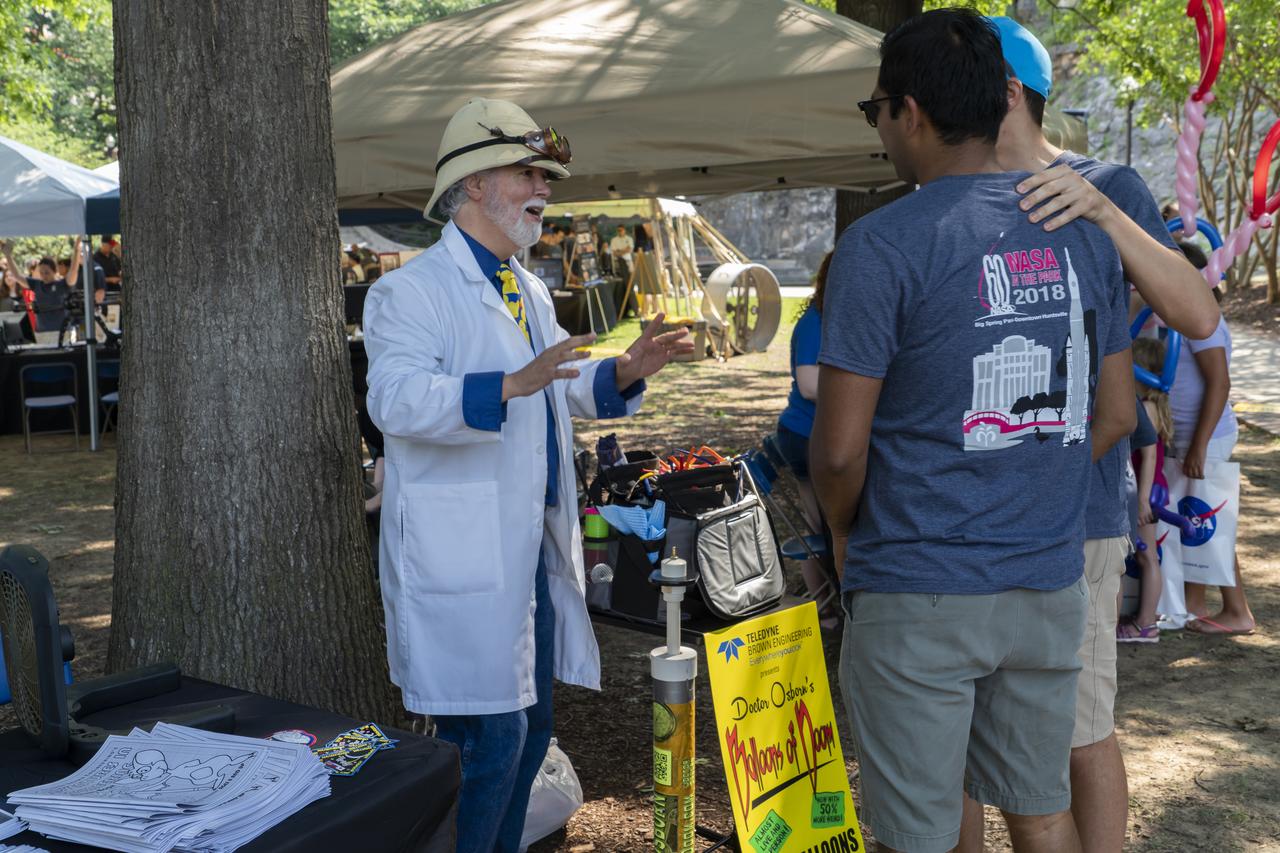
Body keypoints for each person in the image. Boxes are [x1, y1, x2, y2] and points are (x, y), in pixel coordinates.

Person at [810, 11, 1134, 853]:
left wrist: (846, 532)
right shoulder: (1081, 235)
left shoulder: (880, 245)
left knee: (917, 833)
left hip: (917, 580)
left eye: (873, 107)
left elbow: (839, 448)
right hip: (1047, 578)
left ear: (909, 111)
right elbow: (1115, 412)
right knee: (1040, 810)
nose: (879, 126)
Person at [362, 96, 692, 853]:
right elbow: (395, 399)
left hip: (530, 551)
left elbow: (560, 385)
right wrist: (505, 385)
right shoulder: (408, 292)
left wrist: (620, 372)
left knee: (532, 726)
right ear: (473, 184)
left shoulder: (529, 287)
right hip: (461, 558)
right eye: (525, 171)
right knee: (490, 739)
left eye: (544, 173)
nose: (543, 186)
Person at [953, 18, 1225, 853]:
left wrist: (1104, 210)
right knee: (961, 738)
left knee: (1078, 726)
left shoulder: (1106, 185)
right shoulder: (943, 195)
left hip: (1079, 521)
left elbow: (1196, 312)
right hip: (965, 523)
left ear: (1005, 91)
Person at [1169, 284, 1255, 635]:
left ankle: (1238, 612)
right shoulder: (1180, 316)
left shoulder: (1201, 320)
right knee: (1192, 519)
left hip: (1206, 437)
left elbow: (1220, 383)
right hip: (1188, 436)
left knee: (1210, 522)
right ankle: (1195, 603)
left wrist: (1199, 446)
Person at [774, 251, 836, 624]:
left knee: (823, 525)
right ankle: (825, 605)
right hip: (804, 435)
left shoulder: (829, 316)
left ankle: (825, 601)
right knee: (822, 527)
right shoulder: (815, 321)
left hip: (811, 434)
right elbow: (810, 385)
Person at [1123, 339, 1173, 643]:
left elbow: (1150, 455)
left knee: (1147, 557)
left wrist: (1142, 498)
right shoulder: (1154, 404)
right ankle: (1145, 619)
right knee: (1146, 556)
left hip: (1148, 490)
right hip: (1150, 487)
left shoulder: (1147, 407)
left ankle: (1146, 624)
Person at [3, 239, 81, 333]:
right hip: (42, 332)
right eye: (41, 273)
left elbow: (73, 271)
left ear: (55, 271)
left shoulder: (63, 284)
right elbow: (17, 276)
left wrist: (76, 250)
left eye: (47, 273)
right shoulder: (36, 284)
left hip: (63, 333)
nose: (44, 275)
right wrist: (8, 256)